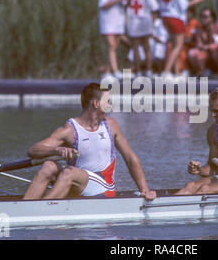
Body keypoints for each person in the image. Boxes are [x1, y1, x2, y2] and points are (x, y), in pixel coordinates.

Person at [23, 83, 157, 200]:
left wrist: (145, 190)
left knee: (69, 172)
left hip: (103, 186)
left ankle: (41, 208)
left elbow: (130, 158)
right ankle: (23, 208)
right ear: (96, 103)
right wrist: (57, 150)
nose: (110, 105)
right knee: (48, 166)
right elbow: (33, 150)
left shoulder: (111, 125)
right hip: (75, 181)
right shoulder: (69, 130)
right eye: (108, 101)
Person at [159, 0, 205, 80]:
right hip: (176, 18)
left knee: (174, 45)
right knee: (178, 46)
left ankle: (176, 72)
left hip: (165, 17)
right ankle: (166, 71)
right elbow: (183, 5)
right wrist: (198, 0)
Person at [98, 0, 132, 80]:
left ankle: (107, 71)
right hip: (108, 20)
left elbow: (123, 4)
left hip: (118, 20)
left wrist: (127, 1)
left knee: (115, 46)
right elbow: (103, 5)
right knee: (111, 45)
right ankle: (115, 70)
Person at [126, 0, 159, 78]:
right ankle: (145, 72)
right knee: (144, 47)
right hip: (140, 21)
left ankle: (142, 72)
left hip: (138, 21)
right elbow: (154, 7)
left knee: (139, 47)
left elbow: (154, 7)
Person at [187, 7, 218, 77]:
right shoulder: (199, 30)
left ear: (212, 18)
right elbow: (199, 45)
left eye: (205, 17)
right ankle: (201, 72)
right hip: (206, 52)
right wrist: (205, 47)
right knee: (192, 53)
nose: (203, 19)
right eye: (201, 16)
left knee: (216, 52)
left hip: (217, 51)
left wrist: (207, 47)